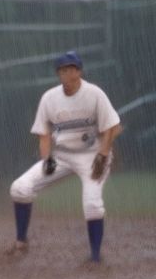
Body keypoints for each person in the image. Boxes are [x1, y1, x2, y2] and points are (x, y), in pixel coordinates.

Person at [7, 51, 122, 263]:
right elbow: (44, 134)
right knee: (19, 188)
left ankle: (95, 258)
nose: (66, 73)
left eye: (70, 69)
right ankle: (21, 243)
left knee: (92, 204)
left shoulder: (94, 94)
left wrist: (103, 155)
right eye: (62, 70)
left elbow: (112, 128)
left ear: (79, 71)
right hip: (61, 155)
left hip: (91, 156)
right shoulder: (50, 98)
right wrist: (47, 159)